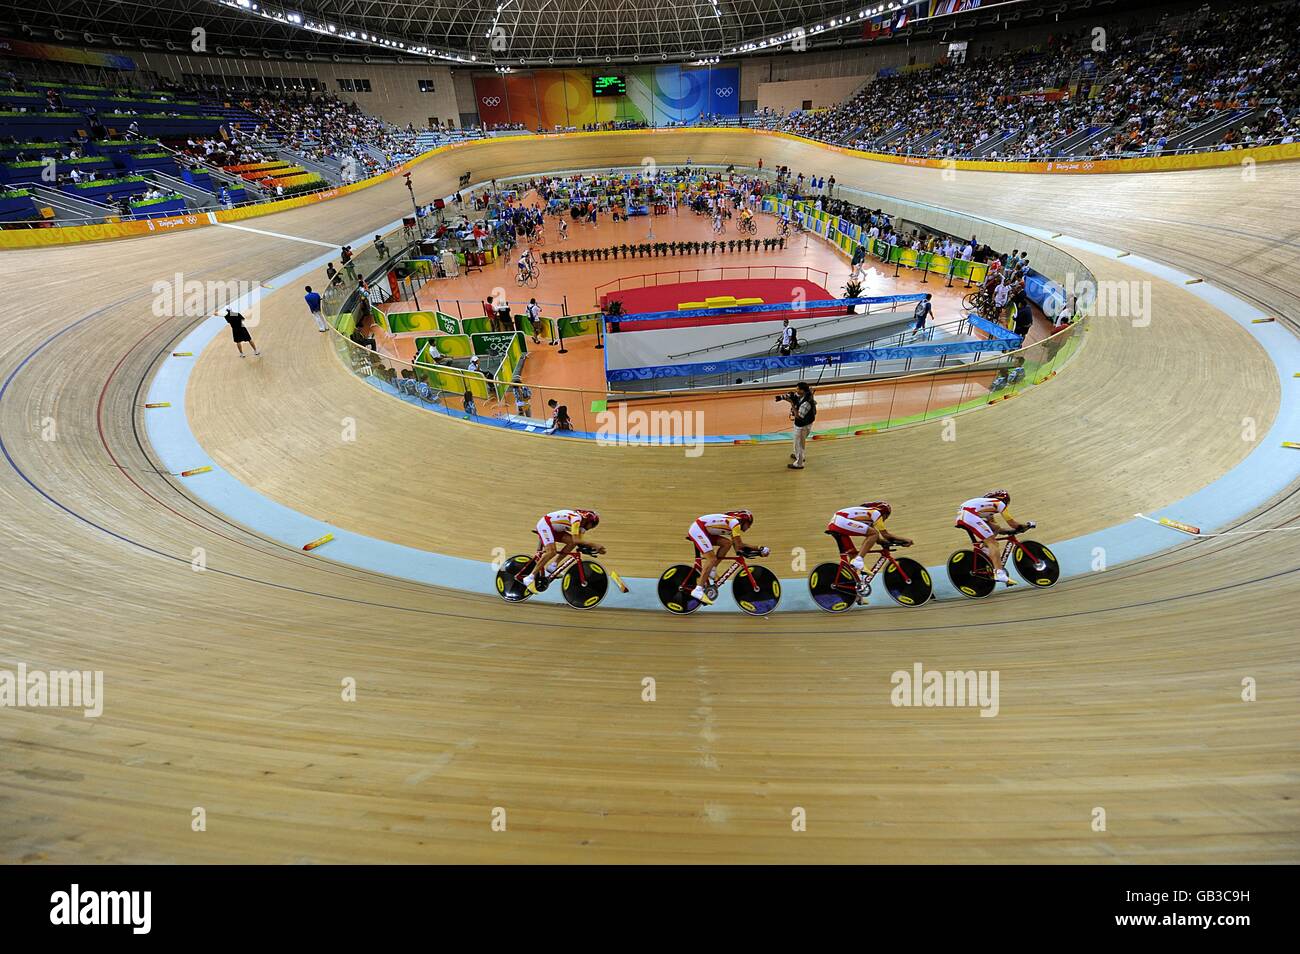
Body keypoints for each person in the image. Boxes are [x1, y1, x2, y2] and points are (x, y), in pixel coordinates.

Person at [686, 510, 763, 605]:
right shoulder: (735, 524)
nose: (749, 527)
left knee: (727, 543)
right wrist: (760, 548)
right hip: (698, 529)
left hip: (704, 530)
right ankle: (698, 590)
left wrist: (757, 552)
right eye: (749, 524)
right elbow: (740, 545)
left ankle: (712, 569)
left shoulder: (733, 525)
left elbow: (736, 547)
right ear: (744, 521)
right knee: (711, 559)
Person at [954, 489, 1027, 586]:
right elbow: (1013, 524)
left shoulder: (987, 508)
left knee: (994, 530)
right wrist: (1025, 526)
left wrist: (1009, 531)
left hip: (965, 515)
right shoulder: (999, 503)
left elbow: (997, 528)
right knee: (992, 543)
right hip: (969, 515)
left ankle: (984, 552)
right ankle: (999, 573)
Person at [522, 509, 602, 591]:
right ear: (587, 521)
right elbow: (577, 540)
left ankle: (553, 566)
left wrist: (589, 548)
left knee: (572, 542)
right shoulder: (576, 519)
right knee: (551, 552)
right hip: (545, 525)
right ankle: (529, 578)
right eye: (591, 525)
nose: (591, 528)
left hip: (555, 530)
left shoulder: (582, 527)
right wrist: (594, 545)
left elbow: (578, 541)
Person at [826, 501, 913, 576]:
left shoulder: (866, 517)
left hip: (836, 523)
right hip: (840, 521)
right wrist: (905, 539)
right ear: (885, 514)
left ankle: (852, 584)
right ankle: (859, 560)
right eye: (886, 517)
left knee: (853, 555)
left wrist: (885, 542)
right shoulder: (876, 513)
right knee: (873, 533)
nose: (884, 520)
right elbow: (885, 534)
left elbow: (878, 539)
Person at [786, 381, 816, 470]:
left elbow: (799, 416)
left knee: (799, 444)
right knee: (797, 442)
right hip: (801, 425)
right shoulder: (805, 396)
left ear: (803, 391)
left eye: (798, 389)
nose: (796, 390)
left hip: (802, 426)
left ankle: (799, 464)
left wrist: (792, 404)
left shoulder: (806, 403)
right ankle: (798, 456)